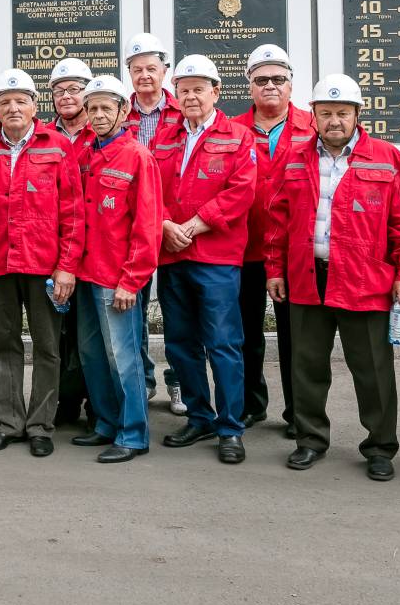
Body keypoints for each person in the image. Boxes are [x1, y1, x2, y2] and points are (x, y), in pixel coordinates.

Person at [264, 75, 400, 481]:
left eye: (342, 113)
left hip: (365, 280)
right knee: (306, 366)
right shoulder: (295, 159)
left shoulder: (387, 159)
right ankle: (310, 440)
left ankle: (380, 447)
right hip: (306, 277)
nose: (334, 121)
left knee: (372, 369)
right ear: (313, 116)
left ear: (357, 115)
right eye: (326, 113)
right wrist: (275, 270)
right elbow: (277, 222)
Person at [0, 68, 84, 458]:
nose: (13, 107)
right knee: (2, 344)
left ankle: (40, 424)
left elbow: (73, 211)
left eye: (21, 100)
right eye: (5, 101)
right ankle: (8, 422)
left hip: (44, 264)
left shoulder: (57, 147)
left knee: (49, 347)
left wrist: (67, 266)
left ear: (35, 105)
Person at [152, 55, 256, 465]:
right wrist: (163, 224)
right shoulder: (164, 137)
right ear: (175, 95)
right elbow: (149, 188)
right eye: (184, 89)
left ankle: (230, 428)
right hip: (171, 255)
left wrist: (192, 226)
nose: (191, 95)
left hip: (215, 257)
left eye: (199, 88)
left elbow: (241, 191)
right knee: (181, 344)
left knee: (223, 344)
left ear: (216, 91)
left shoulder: (238, 136)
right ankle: (199, 417)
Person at [72, 75, 163, 464]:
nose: (98, 115)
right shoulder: (87, 154)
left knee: (123, 358)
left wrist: (132, 281)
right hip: (87, 275)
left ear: (124, 111)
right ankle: (107, 423)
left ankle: (133, 434)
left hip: (117, 280)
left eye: (106, 107)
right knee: (93, 353)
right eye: (92, 108)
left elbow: (147, 225)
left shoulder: (137, 156)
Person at [231, 44, 315, 438]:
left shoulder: (314, 126)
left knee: (294, 335)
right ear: (249, 85)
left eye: (278, 79)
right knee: (245, 332)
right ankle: (251, 405)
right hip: (244, 248)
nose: (270, 86)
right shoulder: (230, 130)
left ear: (291, 85)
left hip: (292, 249)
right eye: (261, 79)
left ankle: (300, 412)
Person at [122, 32, 187, 415]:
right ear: (128, 72)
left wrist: (170, 222)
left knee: (178, 315)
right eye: (137, 69)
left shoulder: (184, 113)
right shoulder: (117, 113)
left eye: (151, 68)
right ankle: (142, 381)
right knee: (134, 311)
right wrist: (154, 220)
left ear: (165, 70)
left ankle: (178, 383)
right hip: (134, 230)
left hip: (179, 233)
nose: (145, 75)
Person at [49, 56, 95, 427]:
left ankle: (98, 406)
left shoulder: (101, 133)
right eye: (59, 90)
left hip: (97, 249)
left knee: (90, 332)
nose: (66, 96)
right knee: (61, 333)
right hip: (56, 249)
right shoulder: (45, 136)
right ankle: (65, 402)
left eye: (75, 89)